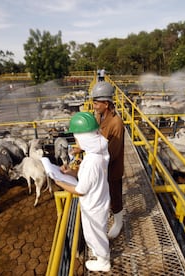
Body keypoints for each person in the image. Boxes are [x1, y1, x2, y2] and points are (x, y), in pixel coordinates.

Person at [54, 112, 111, 272]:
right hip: (99, 200)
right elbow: (88, 176)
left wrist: (59, 181)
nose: (76, 142)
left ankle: (103, 261)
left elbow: (80, 190)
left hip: (93, 205)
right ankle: (99, 252)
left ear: (84, 138)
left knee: (95, 233)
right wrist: (71, 173)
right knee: (95, 231)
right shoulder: (97, 153)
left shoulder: (92, 161)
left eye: (77, 137)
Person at [91, 81, 125, 239]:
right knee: (106, 194)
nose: (94, 106)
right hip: (101, 164)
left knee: (115, 194)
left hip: (111, 167)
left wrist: (95, 159)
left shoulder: (116, 122)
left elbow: (114, 151)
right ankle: (111, 213)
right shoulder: (100, 116)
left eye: (96, 103)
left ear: (106, 103)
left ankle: (119, 223)